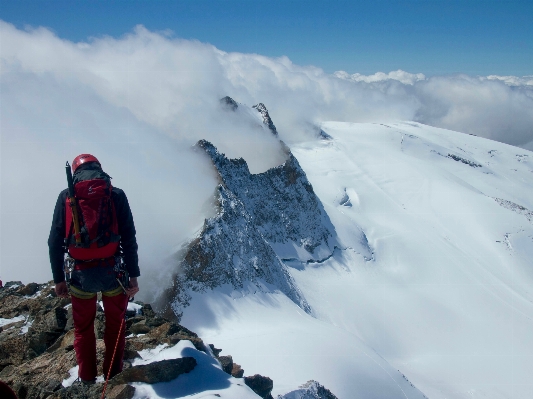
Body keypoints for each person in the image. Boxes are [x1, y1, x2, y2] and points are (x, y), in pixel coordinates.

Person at [48, 154, 140, 384]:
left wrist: (59, 278)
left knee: (83, 329)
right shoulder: (115, 194)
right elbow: (128, 237)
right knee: (115, 326)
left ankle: (87, 378)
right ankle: (113, 376)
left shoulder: (67, 196)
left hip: (80, 275)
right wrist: (134, 276)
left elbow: (55, 240)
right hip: (114, 274)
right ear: (99, 169)